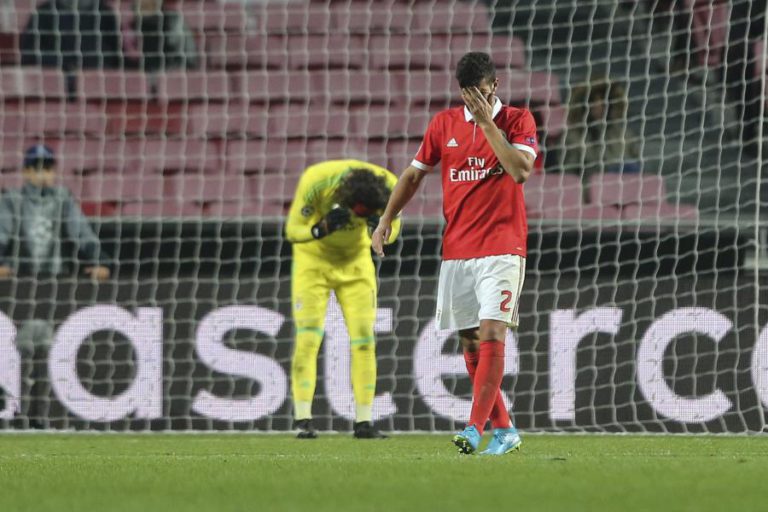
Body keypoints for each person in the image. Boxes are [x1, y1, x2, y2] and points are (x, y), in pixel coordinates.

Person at [372, 52, 536, 455]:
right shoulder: (443, 124)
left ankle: (474, 428)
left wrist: (486, 125)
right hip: (458, 249)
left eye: (480, 94)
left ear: (494, 86)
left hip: (503, 246)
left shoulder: (517, 121)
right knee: (470, 344)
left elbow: (519, 171)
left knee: (494, 333)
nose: (473, 103)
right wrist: (386, 219)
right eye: (467, 97)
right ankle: (505, 429)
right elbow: (413, 175)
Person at [285, 160, 400, 439]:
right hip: (313, 261)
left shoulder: (390, 187)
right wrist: (318, 229)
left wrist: (383, 228)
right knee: (309, 337)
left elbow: (394, 231)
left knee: (363, 340)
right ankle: (303, 420)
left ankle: (364, 422)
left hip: (356, 263)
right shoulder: (316, 180)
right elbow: (291, 231)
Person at [0, 144, 110, 281]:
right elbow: (1, 234)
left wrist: (101, 262)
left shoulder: (62, 197)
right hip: (18, 279)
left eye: (48, 168)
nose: (44, 174)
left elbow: (82, 233)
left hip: (58, 278)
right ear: (26, 171)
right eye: (38, 168)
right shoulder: (12, 199)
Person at [562, 75, 641, 180]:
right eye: (594, 101)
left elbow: (638, 165)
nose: (599, 106)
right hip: (590, 189)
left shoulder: (624, 135)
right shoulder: (573, 138)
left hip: (625, 188)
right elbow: (568, 176)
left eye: (604, 100)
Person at [19, 0, 123, 71]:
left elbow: (114, 59)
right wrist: (65, 64)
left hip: (95, 85)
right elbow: (29, 56)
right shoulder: (43, 13)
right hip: (52, 88)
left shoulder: (105, 14)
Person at [131, 0, 198, 73]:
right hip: (151, 67)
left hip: (176, 67)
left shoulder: (173, 19)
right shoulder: (135, 26)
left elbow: (174, 43)